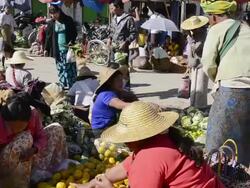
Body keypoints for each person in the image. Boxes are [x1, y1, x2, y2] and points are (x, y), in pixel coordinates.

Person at [72, 101, 224, 188]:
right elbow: (124, 167)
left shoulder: (148, 158)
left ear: (138, 136)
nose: (124, 141)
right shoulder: (164, 140)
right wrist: (91, 184)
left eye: (127, 136)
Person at [200, 0, 250, 166]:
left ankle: (218, 177)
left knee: (217, 143)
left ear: (213, 16)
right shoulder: (246, 28)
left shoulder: (216, 29)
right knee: (243, 141)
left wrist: (219, 80)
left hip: (231, 89)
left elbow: (207, 62)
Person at [0, 92, 67, 187]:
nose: (16, 131)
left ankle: (56, 172)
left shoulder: (32, 114)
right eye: (12, 128)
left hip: (31, 156)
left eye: (21, 128)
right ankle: (21, 184)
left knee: (56, 128)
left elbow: (41, 136)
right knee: (25, 138)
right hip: (7, 165)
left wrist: (34, 149)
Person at [91, 67, 136, 137]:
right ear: (110, 82)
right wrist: (145, 106)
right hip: (101, 130)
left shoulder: (115, 91)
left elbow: (130, 95)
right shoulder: (106, 94)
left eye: (121, 80)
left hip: (110, 125)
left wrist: (132, 97)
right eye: (118, 80)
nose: (121, 82)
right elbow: (123, 105)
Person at [45, 5, 77, 89]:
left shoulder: (68, 20)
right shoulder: (51, 23)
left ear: (59, 11)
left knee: (69, 69)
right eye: (51, 14)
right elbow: (48, 37)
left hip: (68, 50)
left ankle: (71, 87)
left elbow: (74, 33)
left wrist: (71, 41)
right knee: (60, 69)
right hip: (58, 50)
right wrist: (46, 49)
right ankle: (63, 85)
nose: (53, 16)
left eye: (55, 13)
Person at [181, 16, 209, 109]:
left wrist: (190, 39)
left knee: (200, 86)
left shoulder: (203, 34)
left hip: (202, 63)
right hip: (194, 63)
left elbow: (196, 48)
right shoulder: (194, 35)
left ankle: (200, 106)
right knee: (193, 86)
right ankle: (192, 104)